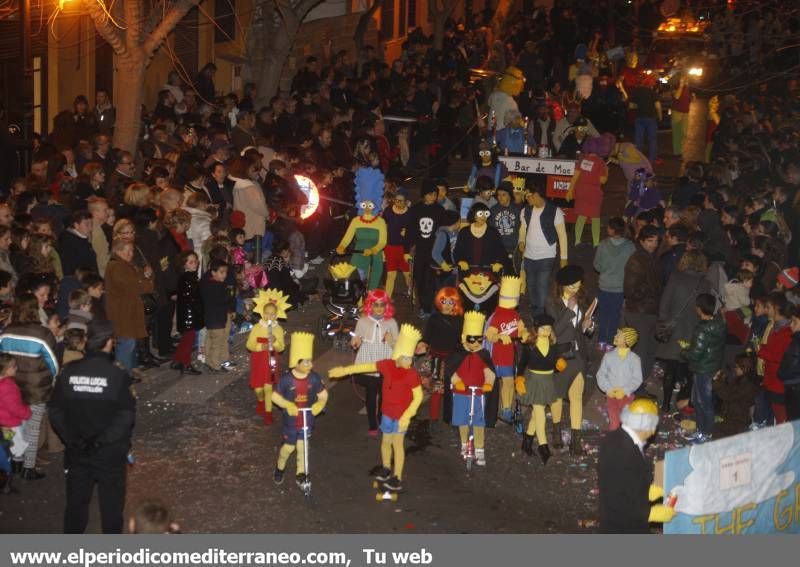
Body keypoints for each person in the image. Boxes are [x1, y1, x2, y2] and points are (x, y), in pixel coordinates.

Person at [48, 319, 136, 534]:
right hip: (109, 452)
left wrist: (72, 438)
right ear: (109, 343)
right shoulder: (117, 374)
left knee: (76, 505)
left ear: (86, 341)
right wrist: (102, 440)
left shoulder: (68, 372)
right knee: (111, 505)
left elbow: (56, 411)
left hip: (77, 450)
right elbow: (125, 416)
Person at [330, 324, 424, 491]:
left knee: (398, 444)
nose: (409, 362)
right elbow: (365, 367)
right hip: (387, 413)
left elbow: (418, 397)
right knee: (386, 441)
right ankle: (386, 467)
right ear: (397, 356)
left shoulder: (411, 374)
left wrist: (407, 416)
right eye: (406, 358)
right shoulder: (387, 365)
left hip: (401, 416)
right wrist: (345, 370)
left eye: (410, 358)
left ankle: (397, 476)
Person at [0, 295, 59, 480]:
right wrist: (52, 378)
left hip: (12, 385)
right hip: (36, 387)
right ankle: (29, 467)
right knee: (33, 427)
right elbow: (53, 363)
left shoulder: (6, 332)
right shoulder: (42, 334)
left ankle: (16, 461)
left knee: (17, 425)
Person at [598, 398, 676, 533]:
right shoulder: (625, 453)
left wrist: (646, 491)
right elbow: (617, 499)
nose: (653, 431)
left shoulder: (614, 438)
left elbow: (623, 485)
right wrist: (649, 513)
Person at [546, 265, 596, 456]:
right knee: (557, 395)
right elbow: (554, 333)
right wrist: (568, 311)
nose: (576, 288)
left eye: (578, 284)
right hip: (560, 356)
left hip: (578, 356)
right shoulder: (552, 302)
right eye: (571, 286)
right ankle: (556, 431)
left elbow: (583, 331)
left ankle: (576, 439)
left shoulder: (582, 300)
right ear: (562, 285)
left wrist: (588, 326)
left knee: (576, 397)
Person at [655, 250, 711, 412]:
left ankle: (665, 404)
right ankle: (685, 403)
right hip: (694, 332)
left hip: (674, 330)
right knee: (689, 371)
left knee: (670, 370)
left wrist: (663, 323)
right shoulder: (705, 284)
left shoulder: (675, 278)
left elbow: (664, 304)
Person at [271, 333, 328, 489]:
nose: (310, 365)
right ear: (296, 363)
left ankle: (301, 473)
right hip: (290, 420)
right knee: (288, 448)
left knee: (303, 448)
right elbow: (274, 397)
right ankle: (279, 467)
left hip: (307, 418)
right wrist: (287, 405)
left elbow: (323, 395)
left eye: (310, 361)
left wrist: (320, 404)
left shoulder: (314, 378)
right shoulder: (286, 380)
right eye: (306, 362)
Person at [443, 311, 498, 466]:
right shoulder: (458, 353)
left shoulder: (484, 354)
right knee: (463, 420)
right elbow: (450, 371)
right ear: (464, 337)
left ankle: (480, 449)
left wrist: (488, 383)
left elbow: (489, 372)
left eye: (478, 339)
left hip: (478, 393)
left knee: (479, 422)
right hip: (461, 393)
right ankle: (464, 444)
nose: (475, 343)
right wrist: (456, 381)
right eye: (471, 339)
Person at [516, 313, 565, 464]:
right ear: (536, 329)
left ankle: (527, 442)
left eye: (549, 328)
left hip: (548, 380)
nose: (547, 331)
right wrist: (519, 378)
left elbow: (554, 363)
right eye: (543, 328)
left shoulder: (553, 345)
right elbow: (522, 362)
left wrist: (559, 365)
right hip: (534, 380)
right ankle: (543, 447)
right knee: (540, 412)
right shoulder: (530, 345)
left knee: (537, 415)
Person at [350, 289, 398, 436]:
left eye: (382, 305)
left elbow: (397, 344)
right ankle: (372, 424)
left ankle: (382, 420)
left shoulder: (391, 322)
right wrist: (356, 342)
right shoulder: (363, 321)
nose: (379, 308)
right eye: (375, 304)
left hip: (386, 361)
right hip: (368, 362)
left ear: (386, 306)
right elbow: (357, 339)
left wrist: (391, 341)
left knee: (385, 396)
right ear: (370, 305)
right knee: (371, 396)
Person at [681, 293, 727, 445]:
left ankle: (705, 433)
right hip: (711, 366)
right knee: (702, 401)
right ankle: (702, 430)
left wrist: (684, 351)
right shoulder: (719, 323)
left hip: (703, 369)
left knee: (703, 403)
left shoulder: (702, 328)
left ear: (699, 308)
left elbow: (695, 353)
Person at [104, 239, 154, 372]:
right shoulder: (117, 267)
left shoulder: (124, 264)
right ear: (118, 251)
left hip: (127, 310)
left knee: (130, 341)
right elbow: (134, 286)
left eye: (132, 250)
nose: (131, 254)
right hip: (122, 312)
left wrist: (145, 276)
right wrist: (148, 283)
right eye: (128, 251)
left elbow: (137, 280)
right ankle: (123, 373)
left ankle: (130, 369)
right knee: (126, 342)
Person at [518, 186, 569, 316]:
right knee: (531, 285)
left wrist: (564, 258)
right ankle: (536, 309)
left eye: (529, 195)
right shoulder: (525, 210)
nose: (526, 198)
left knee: (542, 286)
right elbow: (523, 229)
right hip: (529, 256)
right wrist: (521, 241)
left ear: (537, 194)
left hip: (547, 256)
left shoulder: (555, 211)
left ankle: (539, 314)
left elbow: (562, 235)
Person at [623, 225, 662, 383]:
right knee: (641, 352)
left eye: (656, 241)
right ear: (641, 241)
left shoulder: (651, 257)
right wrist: (649, 294)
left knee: (649, 351)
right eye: (650, 241)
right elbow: (630, 290)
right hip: (640, 312)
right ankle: (636, 386)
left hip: (650, 311)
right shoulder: (637, 260)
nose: (653, 244)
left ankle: (640, 384)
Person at [418, 288, 464, 423]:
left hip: (452, 359)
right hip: (435, 358)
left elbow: (461, 341)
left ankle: (452, 417)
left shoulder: (459, 320)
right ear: (439, 302)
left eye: (451, 301)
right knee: (435, 390)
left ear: (455, 303)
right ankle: (434, 417)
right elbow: (427, 337)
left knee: (453, 389)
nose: (448, 304)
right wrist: (422, 345)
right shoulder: (434, 318)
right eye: (444, 301)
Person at [486, 276, 528, 423]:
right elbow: (489, 335)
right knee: (492, 383)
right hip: (496, 356)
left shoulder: (515, 315)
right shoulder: (497, 316)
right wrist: (499, 336)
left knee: (509, 383)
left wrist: (524, 334)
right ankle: (487, 408)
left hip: (509, 357)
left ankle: (506, 408)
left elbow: (522, 328)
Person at [246, 289, 288, 426]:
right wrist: (260, 347)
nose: (269, 316)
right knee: (259, 388)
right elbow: (249, 344)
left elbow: (281, 347)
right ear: (262, 313)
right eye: (267, 313)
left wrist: (275, 341)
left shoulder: (278, 329)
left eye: (272, 314)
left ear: (276, 315)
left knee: (268, 388)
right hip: (258, 360)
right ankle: (260, 400)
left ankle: (268, 412)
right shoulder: (257, 328)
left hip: (271, 360)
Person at [593, 217, 635, 350]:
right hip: (620, 288)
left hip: (604, 285)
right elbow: (633, 267)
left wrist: (606, 269)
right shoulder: (630, 247)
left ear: (612, 229)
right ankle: (611, 342)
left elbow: (597, 265)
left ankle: (601, 341)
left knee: (603, 314)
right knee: (615, 315)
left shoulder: (603, 244)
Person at [406, 182, 445, 318]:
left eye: (435, 194)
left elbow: (443, 231)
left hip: (434, 250)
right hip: (419, 250)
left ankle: (427, 308)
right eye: (430, 194)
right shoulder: (415, 210)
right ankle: (423, 305)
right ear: (424, 195)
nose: (433, 197)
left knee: (430, 280)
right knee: (420, 279)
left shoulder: (440, 210)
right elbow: (410, 230)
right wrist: (407, 250)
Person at [756, 292, 793, 424]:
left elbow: (778, 355)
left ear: (776, 308)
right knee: (770, 418)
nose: (766, 309)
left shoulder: (786, 331)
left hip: (778, 384)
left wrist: (761, 351)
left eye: (768, 307)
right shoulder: (775, 326)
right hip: (770, 381)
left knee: (781, 419)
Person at [596, 328, 642, 430]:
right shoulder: (608, 356)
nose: (615, 336)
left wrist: (625, 390)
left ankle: (626, 442)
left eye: (619, 335)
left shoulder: (634, 359)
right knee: (614, 422)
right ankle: (613, 441)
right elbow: (601, 374)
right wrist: (608, 389)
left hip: (627, 397)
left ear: (627, 340)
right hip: (611, 396)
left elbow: (637, 379)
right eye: (616, 334)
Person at [336, 200, 387, 290]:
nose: (367, 208)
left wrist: (373, 250)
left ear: (375, 206)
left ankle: (369, 301)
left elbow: (383, 241)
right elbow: (347, 237)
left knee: (372, 284)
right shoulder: (356, 221)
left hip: (374, 256)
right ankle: (359, 302)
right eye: (364, 205)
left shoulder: (380, 222)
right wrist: (342, 246)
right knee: (356, 283)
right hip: (358, 255)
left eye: (370, 205)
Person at [171, 251, 203, 375]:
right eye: (191, 262)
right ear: (184, 264)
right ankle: (186, 363)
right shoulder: (188, 278)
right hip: (189, 314)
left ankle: (177, 360)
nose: (194, 264)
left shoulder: (189, 277)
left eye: (195, 261)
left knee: (186, 338)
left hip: (188, 313)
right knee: (188, 339)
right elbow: (191, 297)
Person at [200, 259, 231, 373]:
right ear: (213, 272)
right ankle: (215, 364)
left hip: (212, 318)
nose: (225, 275)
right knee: (217, 342)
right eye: (221, 272)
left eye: (225, 272)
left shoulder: (207, 282)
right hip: (216, 318)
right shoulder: (216, 286)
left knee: (210, 339)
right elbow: (222, 301)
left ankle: (210, 360)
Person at [382, 190, 412, 298]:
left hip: (404, 249)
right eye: (396, 200)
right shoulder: (388, 211)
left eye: (401, 201)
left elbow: (415, 230)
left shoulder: (409, 213)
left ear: (406, 202)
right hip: (390, 247)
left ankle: (411, 294)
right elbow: (383, 227)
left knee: (407, 274)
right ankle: (387, 299)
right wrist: (382, 247)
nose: (398, 203)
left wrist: (408, 233)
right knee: (391, 274)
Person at [58, 210, 97, 276]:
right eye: (87, 224)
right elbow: (68, 268)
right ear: (76, 225)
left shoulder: (83, 238)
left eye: (91, 224)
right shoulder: (68, 243)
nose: (90, 228)